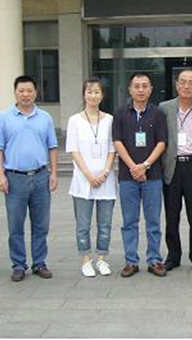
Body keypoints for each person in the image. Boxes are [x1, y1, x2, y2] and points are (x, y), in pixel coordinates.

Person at [0, 75, 58, 282]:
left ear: (35, 93)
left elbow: (52, 147)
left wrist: (54, 173)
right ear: (15, 93)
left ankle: (39, 263)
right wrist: (0, 175)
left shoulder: (45, 117)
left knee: (41, 225)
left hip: (40, 176)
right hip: (14, 178)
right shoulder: (4, 118)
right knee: (15, 226)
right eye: (21, 91)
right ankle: (18, 264)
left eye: (29, 91)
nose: (25, 94)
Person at [112, 72, 168, 277]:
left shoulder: (158, 113)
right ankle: (131, 261)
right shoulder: (120, 113)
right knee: (129, 221)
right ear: (130, 89)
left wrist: (144, 165)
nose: (141, 90)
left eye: (145, 86)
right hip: (127, 177)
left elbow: (162, 142)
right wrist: (133, 167)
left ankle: (154, 259)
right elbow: (117, 142)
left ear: (151, 89)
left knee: (153, 221)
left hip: (153, 176)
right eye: (137, 86)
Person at [159, 69, 192, 273]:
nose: (187, 86)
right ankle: (173, 256)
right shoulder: (164, 108)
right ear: (176, 85)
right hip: (172, 166)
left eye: (191, 82)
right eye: (183, 82)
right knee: (172, 214)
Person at [65, 78, 117, 277]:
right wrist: (88, 175)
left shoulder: (110, 120)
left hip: (105, 180)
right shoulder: (75, 120)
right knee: (83, 225)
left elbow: (112, 149)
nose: (93, 95)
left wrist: (105, 172)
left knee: (105, 224)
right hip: (82, 180)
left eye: (97, 92)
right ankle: (86, 259)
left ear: (102, 95)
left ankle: (101, 258)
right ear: (84, 94)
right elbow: (74, 150)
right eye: (89, 92)